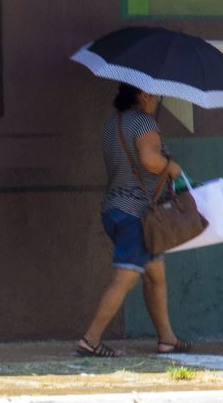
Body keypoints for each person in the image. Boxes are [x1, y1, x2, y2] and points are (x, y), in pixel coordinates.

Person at [75, 84, 193, 358]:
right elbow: (149, 160)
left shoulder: (112, 124)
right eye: (156, 94)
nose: (158, 100)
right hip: (137, 215)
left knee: (155, 276)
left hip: (114, 209)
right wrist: (171, 167)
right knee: (125, 277)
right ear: (145, 94)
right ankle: (90, 339)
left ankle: (167, 339)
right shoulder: (143, 121)